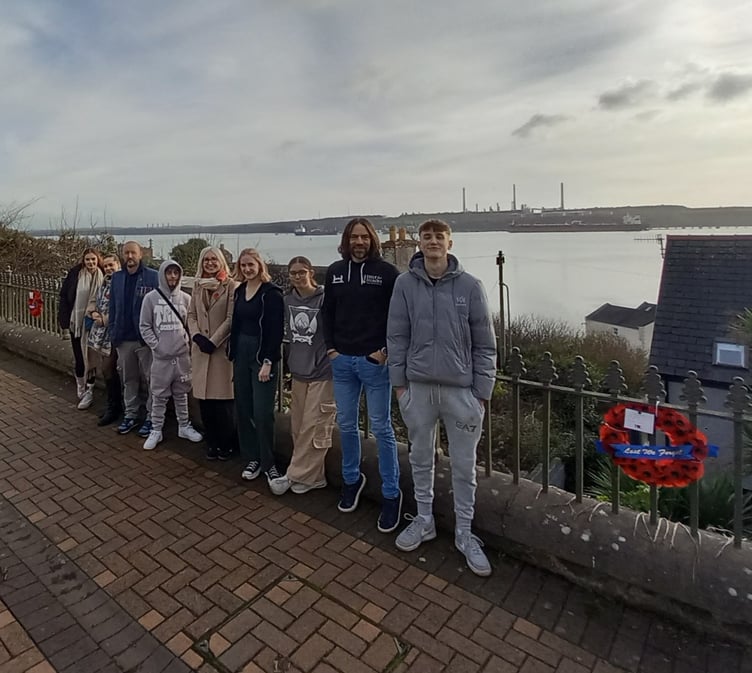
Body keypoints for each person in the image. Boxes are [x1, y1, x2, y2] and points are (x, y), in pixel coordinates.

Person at [387, 219, 497, 576]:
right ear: (418, 243)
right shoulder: (405, 284)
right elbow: (397, 336)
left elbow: (485, 344)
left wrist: (481, 394)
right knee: (420, 459)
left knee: (464, 467)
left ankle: (465, 533)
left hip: (461, 392)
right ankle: (424, 519)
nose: (432, 242)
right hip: (418, 390)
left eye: (439, 236)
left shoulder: (471, 286)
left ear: (450, 242)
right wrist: (400, 386)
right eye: (426, 236)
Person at [322, 217, 401, 533]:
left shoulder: (386, 273)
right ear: (346, 240)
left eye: (364, 237)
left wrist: (383, 350)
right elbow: (327, 312)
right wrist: (331, 349)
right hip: (342, 362)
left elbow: (399, 316)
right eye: (353, 237)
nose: (358, 242)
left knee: (382, 428)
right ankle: (352, 480)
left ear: (372, 240)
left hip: (373, 362)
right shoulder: (335, 272)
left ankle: (391, 493)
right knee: (346, 425)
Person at [269, 256, 336, 496]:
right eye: (293, 272)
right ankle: (315, 478)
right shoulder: (287, 300)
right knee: (297, 427)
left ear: (311, 273)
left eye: (302, 272)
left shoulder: (325, 298)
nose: (298, 276)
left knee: (314, 426)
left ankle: (292, 475)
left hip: (322, 372)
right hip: (298, 370)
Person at [227, 248, 284, 488]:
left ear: (260, 265)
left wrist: (268, 361)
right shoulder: (240, 291)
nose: (248, 269)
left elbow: (276, 330)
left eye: (251, 265)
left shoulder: (271, 294)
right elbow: (236, 324)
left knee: (262, 413)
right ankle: (252, 458)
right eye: (243, 266)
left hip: (262, 356)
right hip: (241, 352)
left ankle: (269, 462)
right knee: (244, 408)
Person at [138, 260, 203, 450]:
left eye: (176, 273)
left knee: (181, 393)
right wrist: (157, 346)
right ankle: (156, 429)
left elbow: (191, 324)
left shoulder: (185, 298)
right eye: (169, 273)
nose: (173, 277)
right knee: (159, 395)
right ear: (163, 275)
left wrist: (188, 345)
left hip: (182, 357)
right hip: (161, 358)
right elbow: (145, 326)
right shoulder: (151, 298)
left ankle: (184, 425)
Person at [187, 246, 238, 461]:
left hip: (220, 352)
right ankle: (212, 441)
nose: (209, 263)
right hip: (201, 351)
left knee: (223, 403)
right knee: (205, 402)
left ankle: (226, 443)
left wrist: (213, 341)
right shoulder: (197, 286)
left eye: (213, 259)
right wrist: (197, 336)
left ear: (221, 261)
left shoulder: (232, 286)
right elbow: (191, 314)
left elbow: (230, 318)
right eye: (206, 259)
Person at [109, 241, 159, 436]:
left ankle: (151, 417)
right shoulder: (117, 277)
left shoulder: (152, 277)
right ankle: (130, 415)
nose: (129, 256)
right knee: (129, 379)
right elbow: (113, 306)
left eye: (133, 253)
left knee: (152, 380)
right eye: (126, 253)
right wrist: (113, 331)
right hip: (124, 339)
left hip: (145, 340)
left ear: (140, 255)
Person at [59, 248, 104, 409]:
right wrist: (64, 323)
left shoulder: (103, 276)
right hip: (76, 323)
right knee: (79, 357)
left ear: (98, 260)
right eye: (87, 260)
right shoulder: (75, 274)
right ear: (83, 261)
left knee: (92, 359)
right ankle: (80, 386)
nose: (91, 263)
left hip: (95, 325)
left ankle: (90, 390)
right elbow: (64, 296)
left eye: (93, 259)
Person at [86, 254, 122, 426]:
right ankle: (113, 404)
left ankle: (115, 407)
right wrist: (93, 312)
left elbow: (122, 307)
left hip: (114, 332)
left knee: (109, 368)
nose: (108, 268)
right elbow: (93, 301)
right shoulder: (104, 283)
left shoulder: (121, 283)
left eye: (111, 265)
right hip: (100, 332)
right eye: (106, 266)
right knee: (105, 369)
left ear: (118, 265)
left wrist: (105, 319)